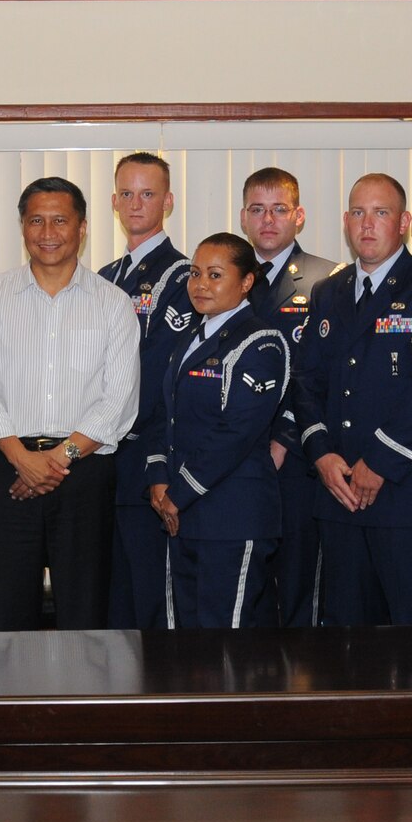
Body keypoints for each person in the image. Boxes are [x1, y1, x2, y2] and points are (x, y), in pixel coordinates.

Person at [293, 173, 412, 626]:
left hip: (409, 499)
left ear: (404, 223)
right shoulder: (327, 292)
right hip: (339, 495)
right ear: (345, 221)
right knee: (346, 650)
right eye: (358, 213)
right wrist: (321, 453)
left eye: (381, 213)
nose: (367, 224)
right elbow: (307, 380)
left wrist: (380, 462)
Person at [0, 176, 139, 631]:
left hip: (84, 468)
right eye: (36, 220)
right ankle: (10, 703)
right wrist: (22, 460)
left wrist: (55, 461)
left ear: (82, 228)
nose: (47, 232)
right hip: (8, 467)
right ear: (22, 228)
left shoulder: (113, 304)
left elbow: (117, 399)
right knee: (8, 609)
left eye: (60, 220)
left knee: (84, 609)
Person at [144, 233, 290, 628]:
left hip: (232, 516)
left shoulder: (261, 342)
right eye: (194, 273)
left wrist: (179, 493)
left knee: (225, 644)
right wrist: (158, 480)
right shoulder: (188, 340)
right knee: (186, 640)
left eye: (214, 274)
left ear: (246, 283)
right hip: (181, 514)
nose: (200, 284)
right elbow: (165, 416)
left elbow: (236, 432)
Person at [97, 152, 197, 630]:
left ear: (168, 201)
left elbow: (158, 371)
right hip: (97, 459)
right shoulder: (101, 278)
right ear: (114, 201)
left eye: (148, 194)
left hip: (147, 457)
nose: (136, 204)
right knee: (109, 597)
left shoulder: (184, 278)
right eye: (127, 194)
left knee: (150, 601)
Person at [240, 166, 341, 627]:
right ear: (243, 217)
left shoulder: (328, 280)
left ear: (298, 216)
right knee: (246, 588)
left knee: (300, 587)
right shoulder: (223, 277)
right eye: (258, 209)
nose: (268, 220)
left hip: (295, 459)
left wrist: (284, 437)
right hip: (234, 458)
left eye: (279, 209)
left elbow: (314, 375)